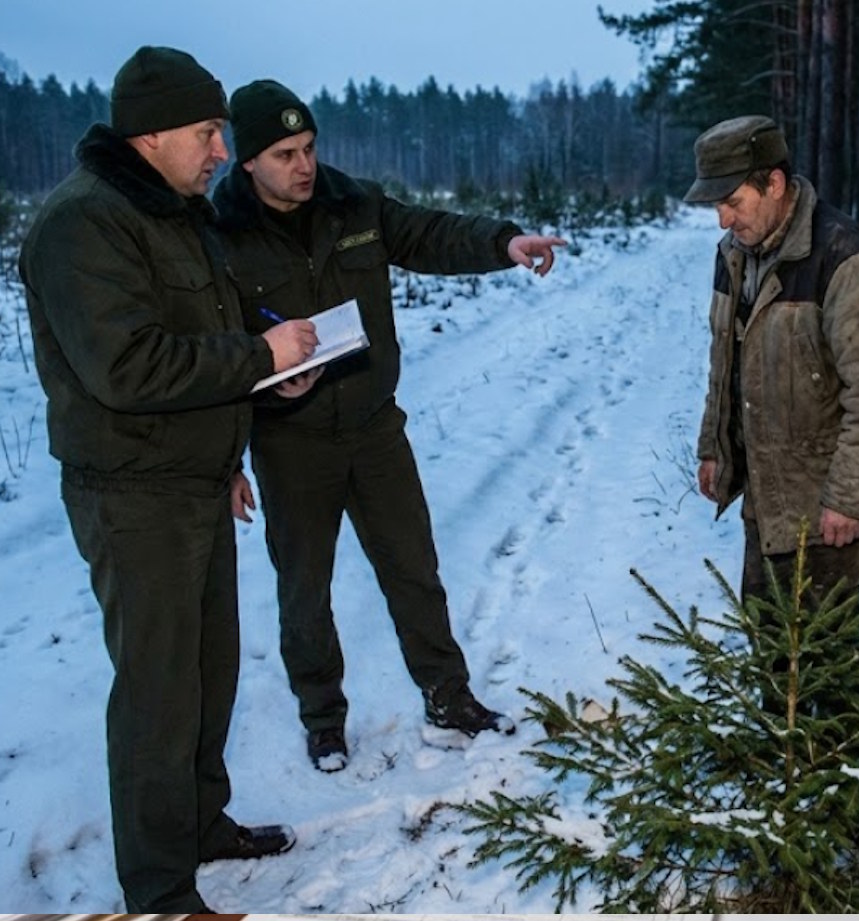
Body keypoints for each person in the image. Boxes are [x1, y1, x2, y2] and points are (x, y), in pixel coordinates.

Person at [19, 47, 321, 911]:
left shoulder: (172, 210)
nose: (222, 150)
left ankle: (198, 824)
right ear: (150, 135)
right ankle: (159, 890)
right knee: (157, 693)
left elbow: (200, 335)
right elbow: (128, 366)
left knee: (207, 674)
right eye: (207, 132)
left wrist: (249, 409)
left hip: (193, 481)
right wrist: (260, 355)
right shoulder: (83, 222)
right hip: (133, 494)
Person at [214, 79, 566, 772]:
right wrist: (242, 431)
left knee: (414, 571)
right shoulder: (220, 235)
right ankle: (323, 720)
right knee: (304, 593)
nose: (304, 165)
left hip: (374, 427)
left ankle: (449, 698)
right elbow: (216, 350)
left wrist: (504, 241)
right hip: (290, 442)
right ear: (248, 160)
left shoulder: (355, 204)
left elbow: (431, 233)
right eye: (285, 154)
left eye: (309, 147)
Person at [689, 115, 859, 627]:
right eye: (716, 206)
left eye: (733, 202)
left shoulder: (847, 260)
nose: (723, 221)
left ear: (774, 183)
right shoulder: (734, 255)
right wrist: (714, 447)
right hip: (765, 491)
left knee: (826, 655)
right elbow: (724, 361)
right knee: (769, 641)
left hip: (827, 503)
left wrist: (849, 499)